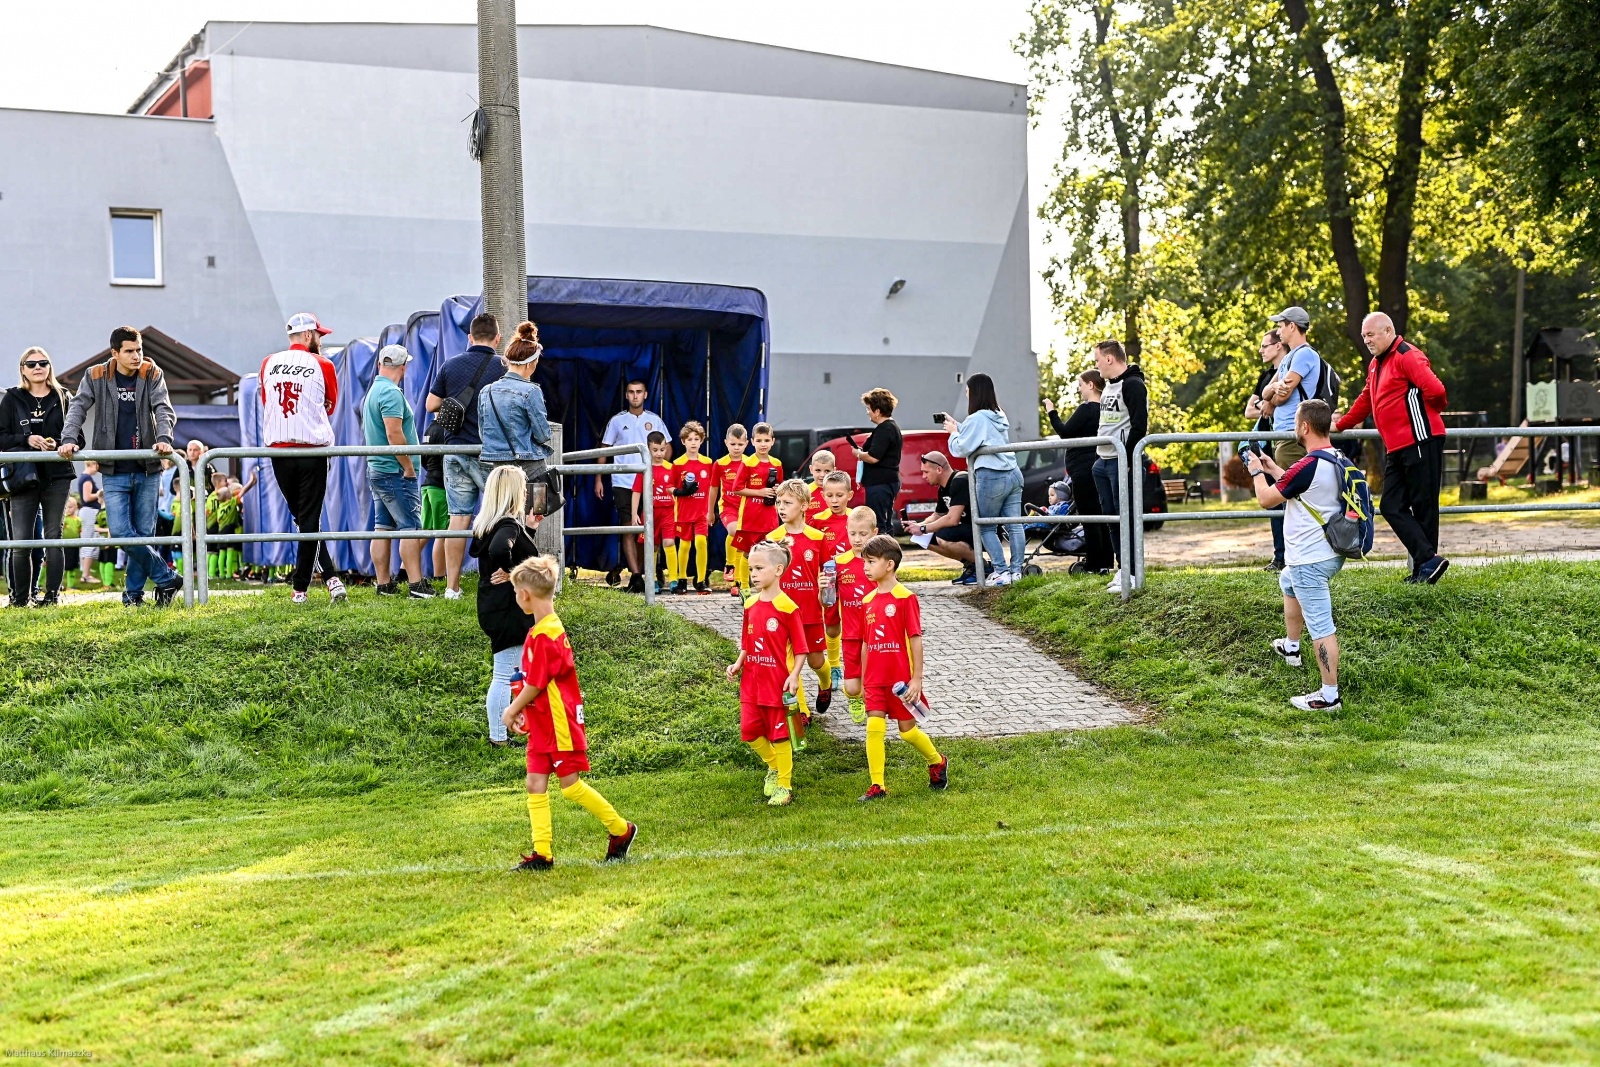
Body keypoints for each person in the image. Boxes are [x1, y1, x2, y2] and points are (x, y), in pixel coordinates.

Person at [502, 555, 637, 870]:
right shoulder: (541, 630)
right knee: (535, 783)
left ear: (525, 595)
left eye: (515, 593)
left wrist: (511, 711)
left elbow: (537, 684)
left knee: (571, 786)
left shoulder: (546, 635)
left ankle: (621, 830)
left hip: (559, 723)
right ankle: (542, 854)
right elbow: (530, 681)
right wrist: (524, 711)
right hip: (542, 723)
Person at [59, 326, 183, 607]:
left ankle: (133, 596)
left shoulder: (151, 373)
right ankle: (167, 577)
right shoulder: (96, 375)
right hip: (114, 470)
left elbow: (163, 408)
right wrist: (68, 439)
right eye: (129, 351)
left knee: (143, 536)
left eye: (139, 349)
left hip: (148, 468)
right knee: (120, 533)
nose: (136, 355)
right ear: (115, 353)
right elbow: (78, 407)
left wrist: (164, 438)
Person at [1241, 400, 1348, 711]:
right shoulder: (1336, 458)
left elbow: (1265, 499)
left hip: (1310, 560)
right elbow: (1305, 486)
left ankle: (1329, 696)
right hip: (1332, 551)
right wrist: (1273, 468)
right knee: (1287, 580)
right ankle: (1291, 647)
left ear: (1304, 427)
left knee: (1322, 625)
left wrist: (1256, 472)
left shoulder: (1307, 464)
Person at [1335, 312, 1450, 584]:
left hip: (1421, 440)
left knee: (1424, 508)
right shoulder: (1377, 364)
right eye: (1364, 336)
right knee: (1390, 505)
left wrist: (1432, 411)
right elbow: (1367, 399)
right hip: (1397, 447)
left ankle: (1424, 570)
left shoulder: (1406, 355)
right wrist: (1341, 425)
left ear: (1388, 331)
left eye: (1370, 335)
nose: (1366, 340)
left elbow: (1436, 390)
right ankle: (1428, 560)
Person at [259, 312, 347, 605]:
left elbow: (266, 402)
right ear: (309, 335)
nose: (320, 340)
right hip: (312, 449)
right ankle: (301, 589)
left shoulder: (268, 362)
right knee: (309, 519)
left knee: (303, 519)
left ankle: (331, 578)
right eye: (319, 335)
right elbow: (330, 406)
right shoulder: (323, 364)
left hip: (279, 451)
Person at [857, 534, 949, 801]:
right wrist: (864, 679)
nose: (865, 567)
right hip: (874, 679)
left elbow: (915, 638)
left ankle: (937, 761)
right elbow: (865, 643)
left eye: (871, 561)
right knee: (873, 727)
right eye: (864, 561)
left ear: (889, 565)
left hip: (900, 681)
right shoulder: (867, 601)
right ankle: (877, 785)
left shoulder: (906, 597)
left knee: (907, 732)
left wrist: (916, 679)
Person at [426, 313, 507, 598]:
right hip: (491, 453)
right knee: (501, 515)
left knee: (458, 519)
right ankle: (499, 578)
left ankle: (452, 587)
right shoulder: (504, 367)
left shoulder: (451, 365)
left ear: (470, 338)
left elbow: (430, 404)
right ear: (497, 338)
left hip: (456, 451)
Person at [724, 540, 807, 806]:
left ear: (778, 569)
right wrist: (738, 663)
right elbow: (747, 642)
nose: (753, 574)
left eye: (759, 568)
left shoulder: (787, 607)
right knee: (749, 732)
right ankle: (773, 765)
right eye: (751, 569)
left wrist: (794, 675)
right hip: (751, 682)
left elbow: (802, 649)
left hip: (776, 684)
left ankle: (784, 785)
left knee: (781, 735)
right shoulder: (750, 604)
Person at [469, 465, 544, 746]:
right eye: (523, 488)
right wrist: (515, 574)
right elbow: (500, 550)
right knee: (504, 674)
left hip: (494, 604)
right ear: (514, 492)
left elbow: (507, 550)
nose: (526, 493)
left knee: (512, 671)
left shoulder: (490, 523)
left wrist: (531, 530)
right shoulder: (508, 525)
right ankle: (498, 737)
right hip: (507, 609)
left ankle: (507, 731)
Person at [2, 347, 73, 607]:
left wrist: (62, 443)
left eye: (43, 363)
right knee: (21, 541)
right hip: (22, 477)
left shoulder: (63, 396)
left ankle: (51, 597)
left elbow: (77, 435)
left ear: (49, 367)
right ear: (23, 369)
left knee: (54, 536)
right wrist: (26, 439)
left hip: (57, 475)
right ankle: (20, 600)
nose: (37, 367)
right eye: (30, 364)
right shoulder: (11, 398)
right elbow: (1, 437)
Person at [766, 478, 834, 745]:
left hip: (810, 612)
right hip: (784, 613)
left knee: (816, 661)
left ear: (804, 505)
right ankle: (803, 712)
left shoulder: (817, 538)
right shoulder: (773, 539)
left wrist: (826, 597)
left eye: (788, 503)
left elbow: (828, 574)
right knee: (789, 663)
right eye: (779, 503)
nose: (781, 508)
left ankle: (826, 683)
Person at [362, 344, 433, 598]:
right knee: (410, 527)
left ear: (381, 364)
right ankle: (417, 585)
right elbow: (394, 434)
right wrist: (408, 467)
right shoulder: (391, 393)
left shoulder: (373, 391)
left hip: (378, 468)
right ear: (403, 367)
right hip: (396, 471)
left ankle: (384, 585)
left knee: (382, 527)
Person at [943, 372, 1024, 586]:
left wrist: (952, 433)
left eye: (968, 391)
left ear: (975, 393)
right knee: (1014, 525)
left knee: (986, 526)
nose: (967, 395)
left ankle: (1001, 571)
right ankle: (1017, 571)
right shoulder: (998, 414)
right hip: (1013, 472)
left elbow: (961, 448)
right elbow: (982, 434)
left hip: (991, 474)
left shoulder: (977, 418)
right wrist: (958, 426)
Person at [595, 380, 671, 593]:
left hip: (650, 482)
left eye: (639, 392)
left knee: (649, 529)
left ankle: (650, 573)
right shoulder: (618, 421)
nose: (635, 396)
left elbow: (669, 448)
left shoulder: (654, 420)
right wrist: (598, 478)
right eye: (631, 392)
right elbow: (604, 450)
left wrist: (662, 470)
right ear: (626, 395)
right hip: (623, 482)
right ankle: (636, 575)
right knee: (629, 526)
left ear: (646, 394)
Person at [477, 321, 554, 520]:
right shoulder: (531, 390)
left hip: (497, 468)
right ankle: (527, 551)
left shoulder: (487, 391)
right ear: (530, 363)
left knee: (501, 517)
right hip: (529, 465)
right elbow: (543, 434)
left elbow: (482, 432)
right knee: (534, 515)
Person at [1091, 340, 1148, 593]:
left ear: (1110, 359)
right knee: (1113, 519)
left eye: (1097, 360)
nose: (1096, 365)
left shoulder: (1133, 385)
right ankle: (1122, 568)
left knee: (1127, 517)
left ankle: (1134, 573)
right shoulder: (1108, 387)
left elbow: (1139, 426)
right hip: (1102, 461)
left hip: (1120, 461)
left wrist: (1126, 458)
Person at [1044, 369, 1113, 574]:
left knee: (1089, 517)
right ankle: (1105, 562)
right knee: (1102, 516)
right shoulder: (1107, 409)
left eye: (1081, 385)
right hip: (1100, 465)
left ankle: (1093, 563)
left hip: (1083, 469)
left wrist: (1051, 411)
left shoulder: (1087, 408)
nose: (1080, 390)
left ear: (1091, 385)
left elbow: (1065, 433)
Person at [827, 504, 877, 724]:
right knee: (852, 686)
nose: (857, 539)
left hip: (876, 633)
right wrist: (823, 588)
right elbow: (827, 601)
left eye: (863, 534)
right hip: (851, 633)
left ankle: (875, 704)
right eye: (853, 533)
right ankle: (855, 699)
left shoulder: (880, 562)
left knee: (874, 678)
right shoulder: (837, 564)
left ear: (874, 533)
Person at [1245, 330, 1290, 571]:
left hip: (1287, 443)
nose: (1261, 350)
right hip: (1268, 448)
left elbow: (1288, 404)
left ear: (1279, 345)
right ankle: (1279, 555)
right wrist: (1267, 403)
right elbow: (1249, 411)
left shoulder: (1291, 371)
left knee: (1291, 499)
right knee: (1273, 502)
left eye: (1265, 345)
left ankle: (1294, 555)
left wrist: (1271, 403)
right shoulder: (1266, 376)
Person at [903, 452, 975, 581]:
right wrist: (918, 526)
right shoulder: (943, 488)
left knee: (943, 536)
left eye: (926, 472)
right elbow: (938, 515)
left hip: (984, 530)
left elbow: (952, 519)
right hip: (967, 529)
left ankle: (984, 567)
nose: (923, 476)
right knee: (924, 539)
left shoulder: (960, 480)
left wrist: (923, 529)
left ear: (939, 469)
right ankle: (972, 566)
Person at [811, 470, 853, 689]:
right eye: (829, 495)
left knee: (855, 625)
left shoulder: (856, 517)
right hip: (828, 581)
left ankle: (858, 668)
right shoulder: (817, 521)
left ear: (850, 494)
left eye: (839, 495)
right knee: (832, 624)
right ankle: (835, 665)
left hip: (853, 581)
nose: (834, 500)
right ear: (823, 495)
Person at [729, 423, 782, 597]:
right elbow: (737, 488)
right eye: (759, 440)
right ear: (752, 442)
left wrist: (776, 491)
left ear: (773, 441)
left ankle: (768, 587)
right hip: (750, 518)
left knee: (770, 552)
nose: (763, 444)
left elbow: (780, 489)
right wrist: (759, 492)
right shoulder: (748, 463)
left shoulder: (777, 464)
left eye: (766, 440)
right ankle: (744, 587)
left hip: (769, 518)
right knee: (746, 552)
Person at [670, 420, 714, 594]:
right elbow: (670, 487)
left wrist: (712, 510)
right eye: (689, 439)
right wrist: (680, 492)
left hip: (702, 512)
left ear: (701, 441)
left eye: (697, 439)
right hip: (684, 512)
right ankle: (682, 580)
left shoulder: (708, 463)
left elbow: (713, 487)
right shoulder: (678, 463)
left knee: (701, 542)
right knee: (685, 545)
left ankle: (701, 580)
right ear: (683, 441)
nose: (693, 442)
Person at [631, 432, 678, 594]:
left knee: (669, 543)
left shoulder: (671, 468)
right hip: (650, 513)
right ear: (648, 449)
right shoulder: (645, 469)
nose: (659, 454)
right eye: (655, 450)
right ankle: (653, 581)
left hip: (668, 512)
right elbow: (636, 492)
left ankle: (674, 580)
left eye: (662, 450)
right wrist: (634, 514)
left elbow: (677, 492)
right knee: (652, 546)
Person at [853, 388, 902, 535]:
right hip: (887, 482)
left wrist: (859, 454)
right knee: (885, 521)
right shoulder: (892, 428)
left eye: (869, 408)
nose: (867, 412)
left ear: (878, 411)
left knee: (879, 523)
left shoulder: (884, 429)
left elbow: (874, 457)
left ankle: (882, 553)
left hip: (880, 484)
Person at [712, 424, 749, 592]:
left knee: (743, 545)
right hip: (728, 507)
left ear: (747, 444)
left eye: (740, 444)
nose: (736, 448)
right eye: (733, 444)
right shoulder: (720, 464)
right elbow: (713, 488)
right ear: (726, 443)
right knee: (734, 531)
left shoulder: (750, 462)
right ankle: (729, 564)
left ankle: (738, 584)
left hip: (746, 508)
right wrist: (709, 511)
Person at [420, 416, 450, 584]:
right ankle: (439, 576)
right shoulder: (445, 430)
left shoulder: (429, 430)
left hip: (427, 484)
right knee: (442, 533)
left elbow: (423, 458)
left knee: (426, 530)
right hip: (439, 487)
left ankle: (404, 569)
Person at [75, 460, 103, 584]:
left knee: (86, 541)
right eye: (96, 466)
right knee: (90, 541)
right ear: (91, 464)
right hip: (89, 511)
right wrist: (99, 493)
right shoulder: (87, 478)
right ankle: (86, 575)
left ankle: (85, 571)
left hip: (87, 512)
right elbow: (87, 498)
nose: (97, 469)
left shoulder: (84, 477)